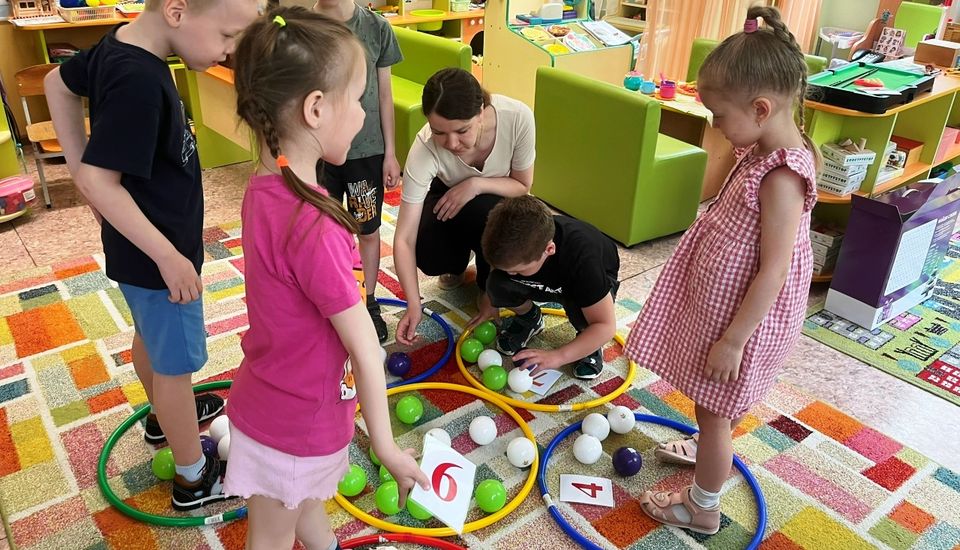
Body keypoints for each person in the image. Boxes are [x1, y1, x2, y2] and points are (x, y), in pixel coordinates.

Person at [45, 0, 259, 510]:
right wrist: (168, 256)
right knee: (176, 366)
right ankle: (193, 476)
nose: (230, 51)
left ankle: (166, 417)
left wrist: (85, 176)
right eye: (227, 36)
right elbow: (100, 180)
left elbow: (57, 82)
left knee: (153, 341)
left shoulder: (124, 43)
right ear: (177, 12)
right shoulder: (138, 79)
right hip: (159, 255)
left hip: (141, 248)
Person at [225, 9, 427, 550]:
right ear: (315, 109)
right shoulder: (314, 223)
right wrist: (386, 447)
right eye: (358, 101)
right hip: (296, 422)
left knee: (305, 506)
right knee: (271, 536)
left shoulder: (263, 189)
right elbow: (365, 348)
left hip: (273, 398)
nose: (363, 116)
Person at [623, 6, 817, 535]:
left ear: (760, 108)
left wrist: (733, 341)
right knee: (716, 405)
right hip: (726, 303)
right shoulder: (764, 143)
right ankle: (711, 445)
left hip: (744, 318)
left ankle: (702, 506)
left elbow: (774, 271)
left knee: (713, 409)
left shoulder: (782, 176)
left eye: (719, 115)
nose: (715, 125)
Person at [393, 67, 536, 346]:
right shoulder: (425, 146)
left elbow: (522, 185)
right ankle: (459, 261)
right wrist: (413, 303)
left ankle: (486, 282)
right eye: (439, 132)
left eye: (462, 130)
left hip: (499, 201)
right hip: (447, 195)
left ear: (481, 112)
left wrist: (475, 184)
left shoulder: (518, 117)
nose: (452, 143)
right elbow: (404, 238)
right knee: (427, 252)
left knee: (488, 213)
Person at [313, 0, 402, 341]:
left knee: (367, 228)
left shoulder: (377, 28)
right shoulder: (304, 26)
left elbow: (385, 95)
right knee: (323, 232)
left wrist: (390, 152)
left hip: (367, 152)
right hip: (319, 152)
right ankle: (331, 299)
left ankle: (368, 300)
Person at [478, 196, 619, 379]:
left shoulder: (583, 261)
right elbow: (502, 268)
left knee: (586, 318)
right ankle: (530, 318)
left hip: (581, 284)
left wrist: (558, 356)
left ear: (549, 249)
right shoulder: (514, 245)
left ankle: (588, 343)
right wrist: (490, 299)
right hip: (543, 278)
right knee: (496, 283)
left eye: (517, 270)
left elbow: (605, 325)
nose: (509, 273)